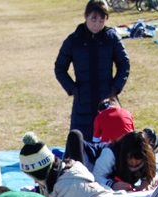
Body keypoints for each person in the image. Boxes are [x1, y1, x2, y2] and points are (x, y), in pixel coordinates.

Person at [20, 132, 132, 197]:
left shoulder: (70, 181)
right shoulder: (51, 179)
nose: (35, 182)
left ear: (43, 172)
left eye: (35, 178)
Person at [55, 0, 130, 139]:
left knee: (110, 143)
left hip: (107, 100)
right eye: (93, 19)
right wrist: (73, 89)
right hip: (83, 102)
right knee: (81, 145)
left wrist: (114, 89)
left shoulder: (112, 38)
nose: (97, 24)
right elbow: (60, 67)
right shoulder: (73, 40)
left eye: (102, 20)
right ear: (85, 16)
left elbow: (124, 64)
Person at [91, 129, 157, 192]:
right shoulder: (110, 153)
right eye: (129, 158)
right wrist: (113, 185)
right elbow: (96, 176)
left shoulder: (149, 153)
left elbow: (152, 172)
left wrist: (146, 182)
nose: (133, 162)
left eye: (138, 158)